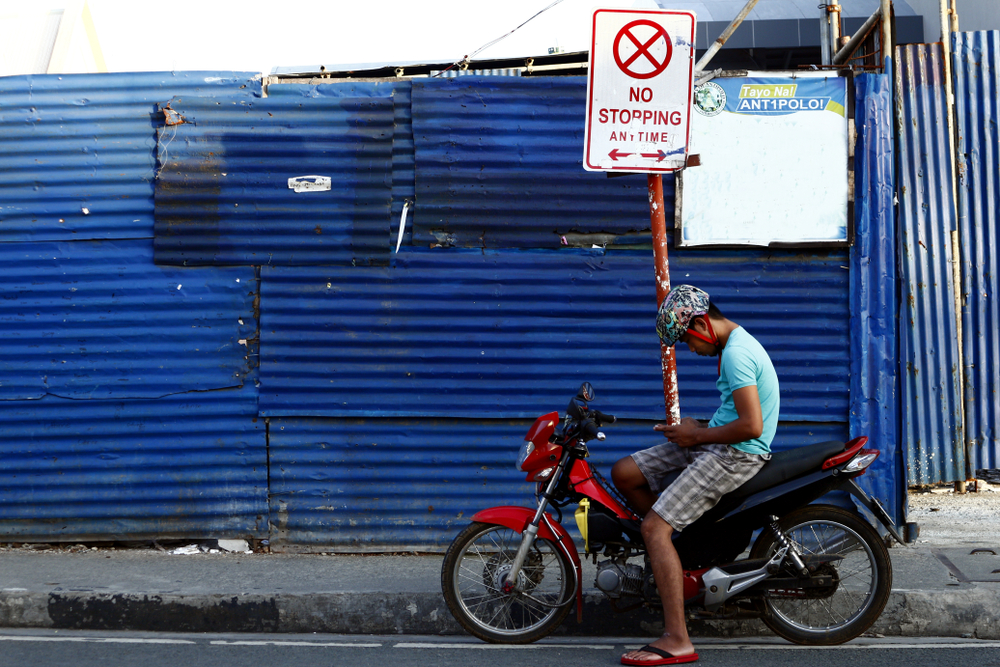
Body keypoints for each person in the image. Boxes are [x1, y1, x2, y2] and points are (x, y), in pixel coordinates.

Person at [611, 285, 780, 666]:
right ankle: (682, 551)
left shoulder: (736, 355)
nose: (690, 349)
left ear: (703, 323)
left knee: (653, 529)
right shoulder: (735, 345)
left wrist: (697, 435)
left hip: (734, 456)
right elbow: (733, 416)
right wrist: (696, 429)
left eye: (687, 339)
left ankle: (677, 638)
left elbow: (752, 426)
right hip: (714, 443)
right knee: (624, 473)